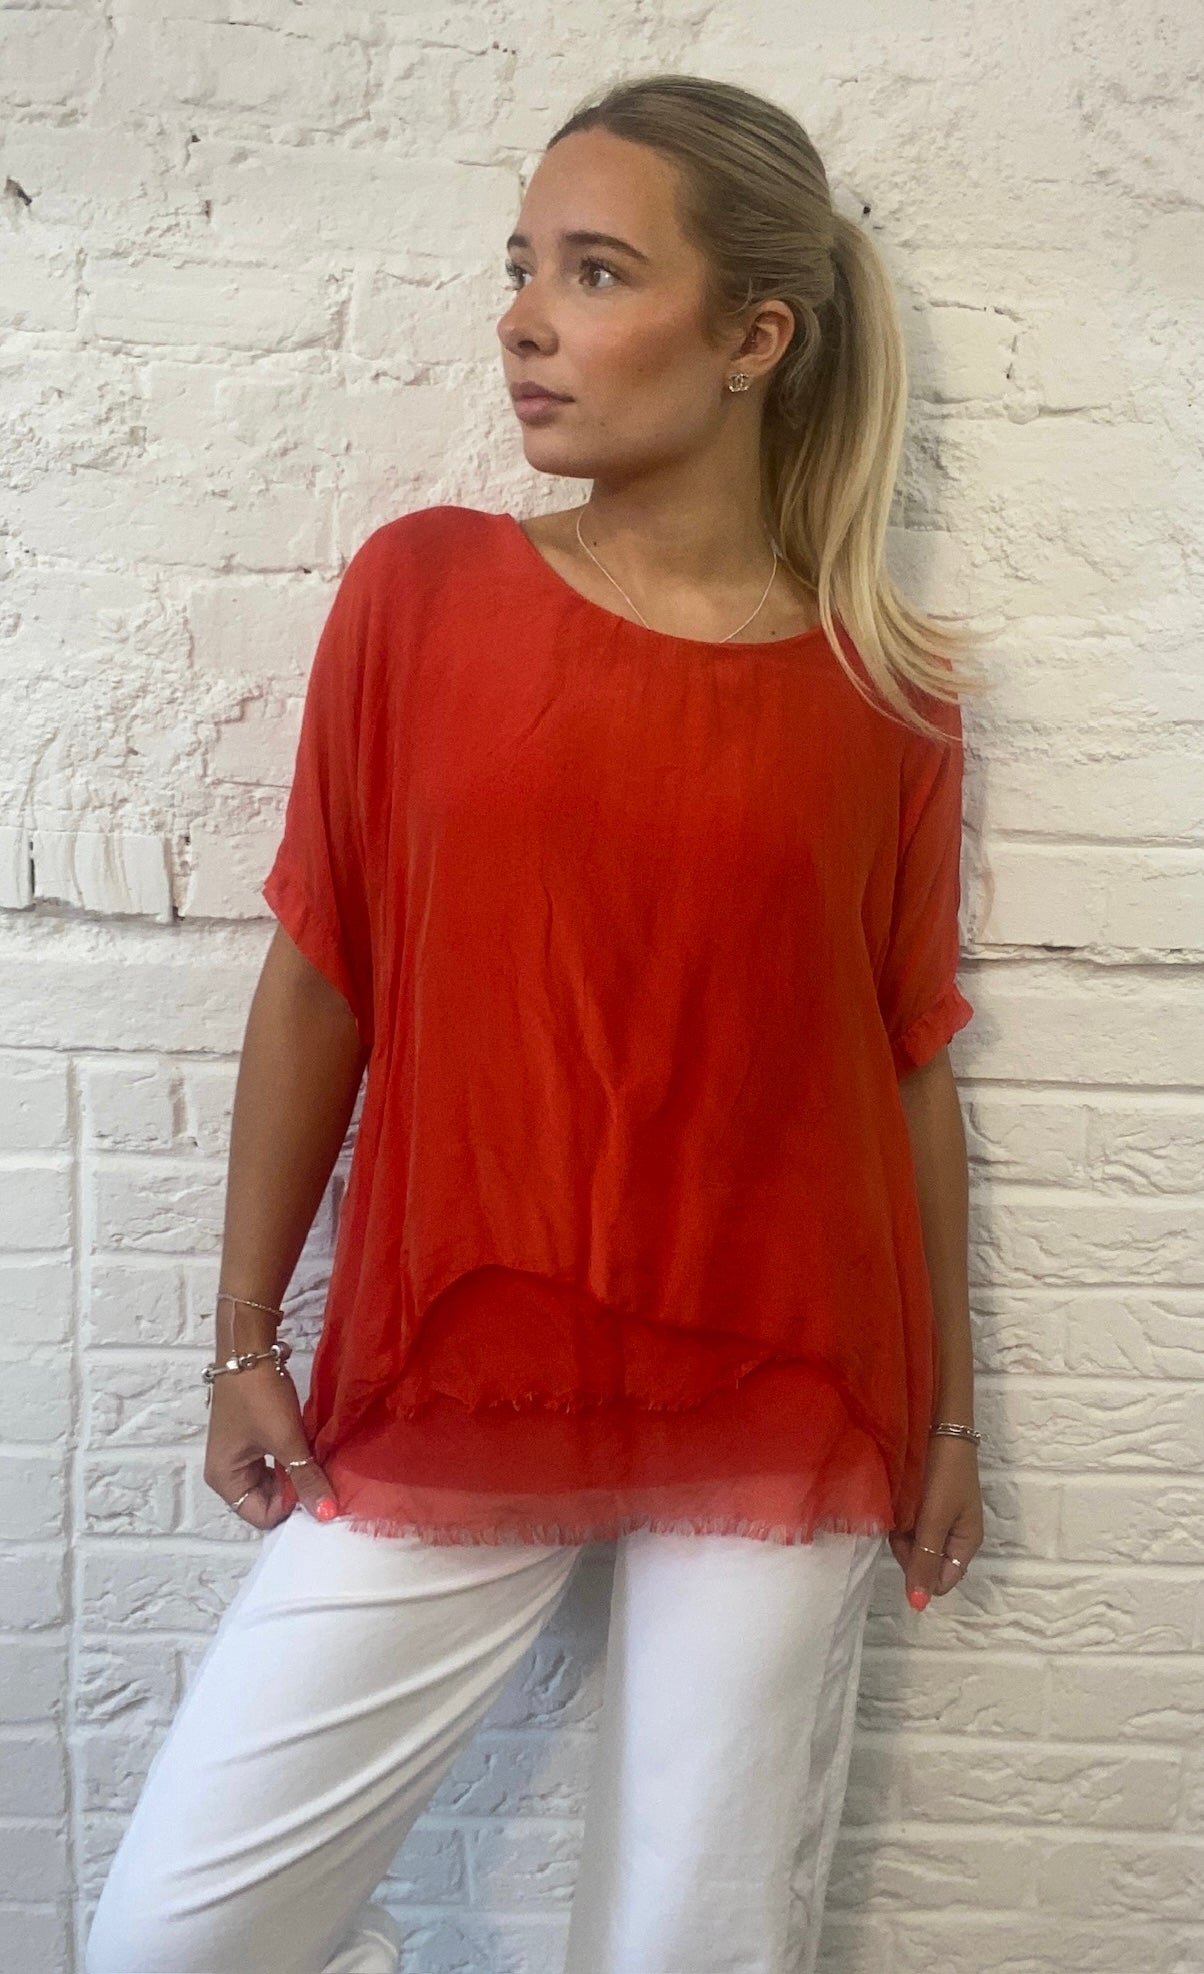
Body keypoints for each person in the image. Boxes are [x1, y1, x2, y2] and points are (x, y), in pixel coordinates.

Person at [85, 71, 990, 1974]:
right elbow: (323, 971)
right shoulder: (424, 592)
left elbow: (907, 1062)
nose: (522, 319)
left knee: (692, 1945)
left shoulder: (881, 694)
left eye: (593, 271)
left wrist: (948, 1419)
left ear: (755, 337)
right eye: (522, 266)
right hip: (465, 1359)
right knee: (175, 1935)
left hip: (786, 1378)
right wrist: (244, 1335)